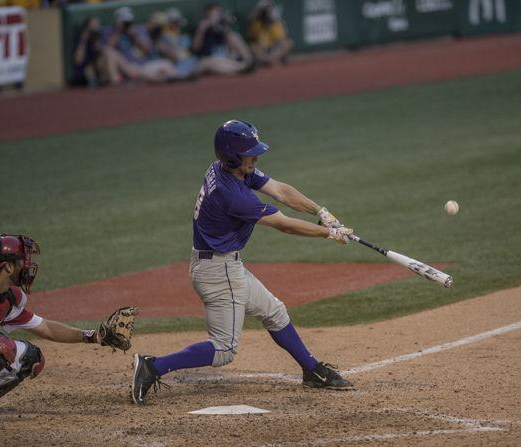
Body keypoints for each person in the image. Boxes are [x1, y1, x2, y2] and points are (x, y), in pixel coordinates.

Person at [132, 120, 355, 405]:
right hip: (218, 271)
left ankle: (312, 370)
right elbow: (284, 224)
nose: (256, 157)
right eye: (251, 152)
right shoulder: (233, 196)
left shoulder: (227, 169)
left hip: (222, 266)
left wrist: (321, 211)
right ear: (234, 156)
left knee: (274, 311)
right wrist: (329, 233)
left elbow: (281, 191)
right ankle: (152, 367)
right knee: (224, 349)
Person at [0, 234, 117, 440]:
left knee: (30, 357)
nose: (27, 266)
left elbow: (46, 327)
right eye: (22, 261)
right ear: (8, 267)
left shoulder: (5, 298)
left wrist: (91, 336)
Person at [101, 6, 176, 84]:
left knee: (167, 65)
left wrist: (134, 36)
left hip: (143, 65)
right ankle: (117, 82)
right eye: (124, 22)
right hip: (126, 66)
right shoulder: (109, 31)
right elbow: (107, 50)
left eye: (128, 22)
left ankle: (162, 78)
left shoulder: (138, 29)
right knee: (110, 52)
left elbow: (147, 49)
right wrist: (118, 32)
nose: (126, 25)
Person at [192, 3, 254, 75]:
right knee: (209, 62)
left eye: (218, 13)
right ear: (207, 14)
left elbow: (230, 41)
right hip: (207, 58)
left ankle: (249, 61)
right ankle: (241, 68)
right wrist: (201, 30)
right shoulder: (201, 26)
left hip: (225, 56)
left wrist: (223, 27)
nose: (216, 16)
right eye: (213, 14)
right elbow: (195, 48)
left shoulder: (220, 26)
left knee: (234, 36)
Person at [147, 8, 199, 80]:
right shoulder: (159, 35)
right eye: (175, 23)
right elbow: (164, 51)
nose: (177, 27)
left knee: (191, 61)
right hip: (159, 63)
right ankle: (178, 75)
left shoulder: (176, 36)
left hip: (174, 63)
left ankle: (180, 74)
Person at [247, 0, 293, 67]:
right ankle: (267, 60)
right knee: (252, 48)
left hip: (274, 49)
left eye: (268, 10)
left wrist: (273, 52)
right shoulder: (255, 23)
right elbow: (252, 39)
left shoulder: (276, 23)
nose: (266, 13)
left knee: (288, 43)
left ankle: (269, 60)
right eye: (264, 11)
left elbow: (281, 40)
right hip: (261, 50)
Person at [72, 16, 104, 87]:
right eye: (93, 25)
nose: (95, 27)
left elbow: (101, 54)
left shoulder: (99, 37)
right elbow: (78, 60)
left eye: (97, 24)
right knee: (88, 69)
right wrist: (84, 40)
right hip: (83, 73)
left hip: (97, 68)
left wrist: (96, 42)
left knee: (102, 60)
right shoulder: (81, 39)